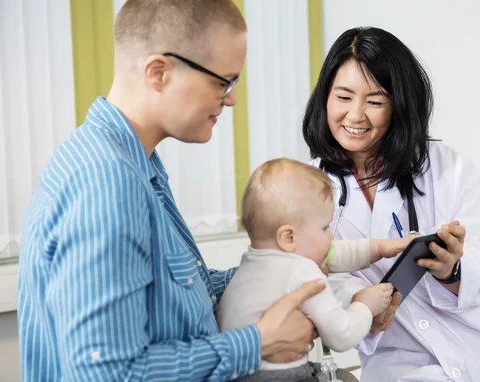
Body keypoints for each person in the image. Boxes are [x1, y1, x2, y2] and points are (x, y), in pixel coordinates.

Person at [17, 1, 326, 380]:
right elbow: (110, 374)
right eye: (221, 82)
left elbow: (172, 297)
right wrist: (258, 342)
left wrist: (284, 270)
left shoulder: (138, 162)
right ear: (158, 72)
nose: (231, 98)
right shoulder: (107, 183)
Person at [302, 26, 480, 382]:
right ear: (325, 99)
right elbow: (318, 274)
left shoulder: (445, 167)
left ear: (399, 105)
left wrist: (453, 269)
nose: (356, 115)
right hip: (398, 359)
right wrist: (360, 300)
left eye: (375, 101)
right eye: (343, 97)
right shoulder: (304, 186)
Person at [217, 158, 411, 381]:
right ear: (288, 237)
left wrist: (379, 247)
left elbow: (335, 253)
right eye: (325, 227)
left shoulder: (253, 263)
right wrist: (365, 305)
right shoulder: (303, 272)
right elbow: (342, 336)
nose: (332, 235)